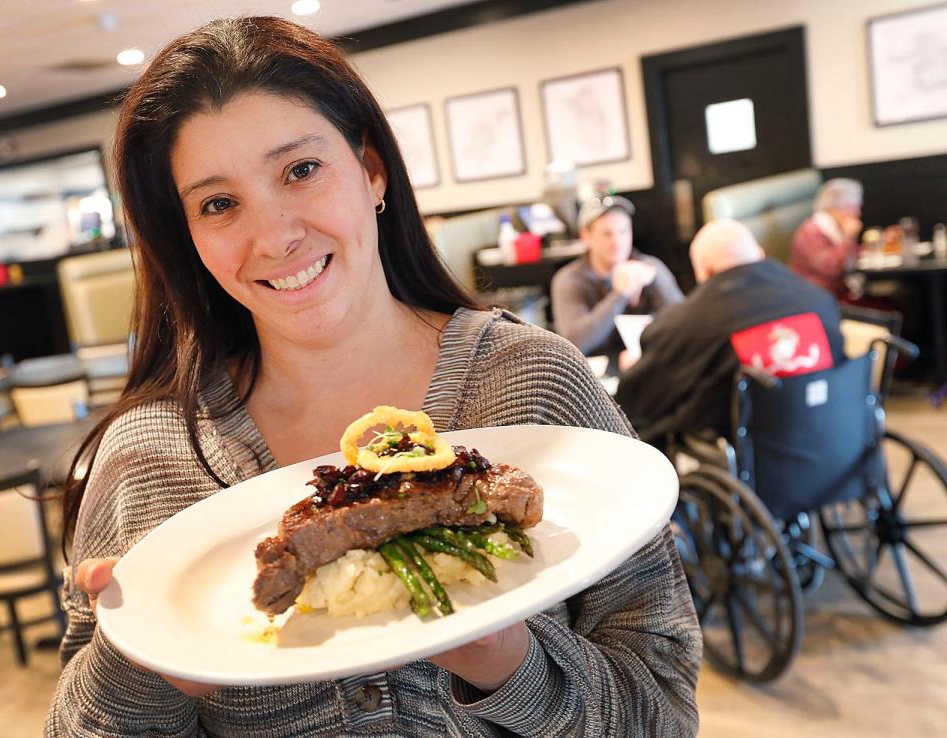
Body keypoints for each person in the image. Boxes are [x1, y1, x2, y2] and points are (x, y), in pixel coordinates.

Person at [45, 17, 700, 738]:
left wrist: (512, 666)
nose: (275, 236)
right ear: (188, 236)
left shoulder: (534, 380)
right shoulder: (149, 459)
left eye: (300, 170)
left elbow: (663, 712)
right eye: (219, 203)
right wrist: (144, 666)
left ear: (372, 171)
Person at [616, 219, 846, 445]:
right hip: (833, 449)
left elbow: (635, 406)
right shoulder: (820, 300)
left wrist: (635, 369)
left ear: (703, 270)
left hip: (741, 468)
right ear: (760, 254)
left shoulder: (685, 326)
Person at [550, 195, 683, 370]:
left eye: (623, 231)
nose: (617, 242)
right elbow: (575, 342)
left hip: (652, 369)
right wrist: (620, 295)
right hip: (595, 381)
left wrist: (656, 281)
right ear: (586, 237)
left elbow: (683, 325)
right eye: (607, 234)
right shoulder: (569, 280)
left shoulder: (651, 267)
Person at [790, 178, 863, 298]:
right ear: (834, 208)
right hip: (817, 297)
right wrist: (848, 238)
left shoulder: (834, 228)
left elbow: (850, 258)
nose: (858, 213)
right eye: (853, 207)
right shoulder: (811, 231)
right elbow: (831, 268)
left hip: (835, 292)